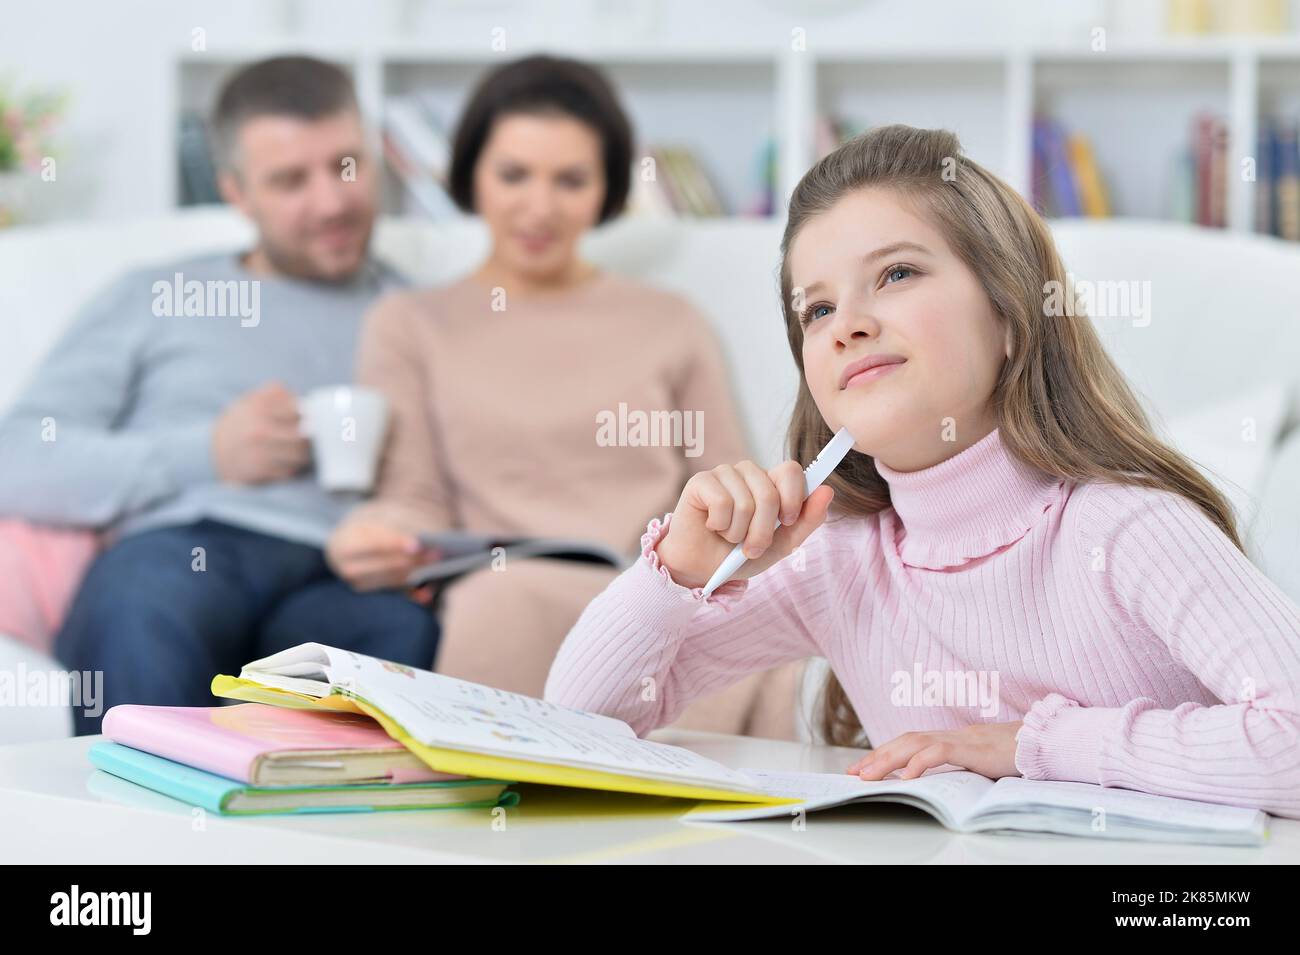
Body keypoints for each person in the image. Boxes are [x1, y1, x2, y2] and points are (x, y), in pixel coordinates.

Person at [544, 124, 1300, 819]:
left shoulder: (1127, 529)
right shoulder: (835, 557)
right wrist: (673, 571)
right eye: (815, 310)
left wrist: (1028, 746)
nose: (848, 325)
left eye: (897, 273)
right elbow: (576, 725)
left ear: (1009, 314)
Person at [325, 55, 792, 732]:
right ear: (472, 175)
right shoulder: (410, 323)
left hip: (654, 583)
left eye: (570, 179)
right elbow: (412, 495)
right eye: (514, 174)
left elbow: (726, 483)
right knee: (498, 602)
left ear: (604, 189)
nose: (539, 207)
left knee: (775, 636)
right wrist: (372, 534)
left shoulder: (669, 320)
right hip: (506, 582)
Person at [0, 56, 438, 734]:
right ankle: (139, 843)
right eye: (291, 180)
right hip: (183, 548)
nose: (331, 201)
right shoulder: (156, 295)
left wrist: (416, 542)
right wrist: (204, 453)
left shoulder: (417, 314)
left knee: (402, 635)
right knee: (141, 613)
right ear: (235, 191)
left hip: (341, 573)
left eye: (346, 166)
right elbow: (18, 458)